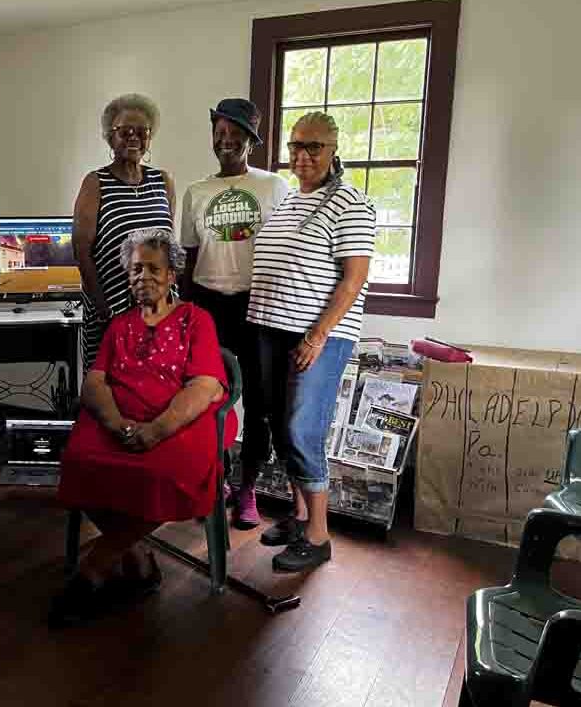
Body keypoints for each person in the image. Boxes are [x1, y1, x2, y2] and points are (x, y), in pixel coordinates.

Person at [50, 228, 236, 628]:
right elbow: (95, 382)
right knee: (81, 459)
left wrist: (156, 430)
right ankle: (135, 557)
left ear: (172, 275)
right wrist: (116, 423)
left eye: (154, 268)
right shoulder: (119, 325)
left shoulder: (196, 320)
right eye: (136, 269)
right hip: (123, 420)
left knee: (162, 472)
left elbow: (205, 386)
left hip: (183, 419)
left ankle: (93, 568)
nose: (143, 276)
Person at [245, 111, 376, 573]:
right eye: (296, 146)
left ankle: (319, 536)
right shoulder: (289, 200)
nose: (302, 156)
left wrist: (318, 335)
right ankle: (299, 517)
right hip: (269, 327)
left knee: (303, 430)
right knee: (279, 426)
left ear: (333, 149)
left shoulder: (350, 202)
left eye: (313, 147)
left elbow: (354, 278)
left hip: (315, 336)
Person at [177, 97, 289, 531]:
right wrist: (186, 312)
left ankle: (248, 490)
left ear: (250, 140)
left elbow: (286, 248)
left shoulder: (273, 186)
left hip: (258, 303)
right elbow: (187, 255)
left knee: (261, 400)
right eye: (219, 133)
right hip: (208, 304)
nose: (226, 141)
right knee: (208, 396)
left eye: (235, 134)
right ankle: (217, 477)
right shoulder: (196, 192)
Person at [73, 94, 175, 370]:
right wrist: (105, 311)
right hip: (111, 310)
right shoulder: (96, 183)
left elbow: (169, 248)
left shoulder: (162, 181)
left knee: (157, 386)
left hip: (159, 311)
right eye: (124, 131)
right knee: (111, 391)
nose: (134, 137)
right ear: (109, 136)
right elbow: (81, 252)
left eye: (142, 131)